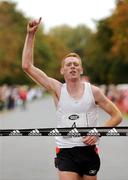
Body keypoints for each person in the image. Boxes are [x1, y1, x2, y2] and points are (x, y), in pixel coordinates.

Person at [22, 18, 122, 180]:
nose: (72, 66)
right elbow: (27, 66)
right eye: (68, 64)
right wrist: (31, 35)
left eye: (76, 64)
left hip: (88, 149)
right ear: (62, 70)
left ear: (81, 69)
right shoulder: (57, 89)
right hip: (66, 150)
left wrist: (98, 132)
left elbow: (117, 116)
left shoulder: (94, 92)